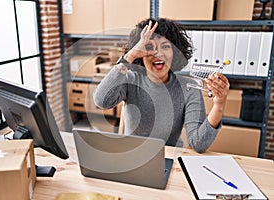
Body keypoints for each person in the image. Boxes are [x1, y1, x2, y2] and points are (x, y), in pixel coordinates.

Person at [93, 18, 230, 153]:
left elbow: (199, 144)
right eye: (150, 47)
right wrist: (131, 55)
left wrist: (219, 104)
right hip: (132, 156)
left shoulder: (189, 88)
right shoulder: (129, 79)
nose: (158, 54)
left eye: (165, 46)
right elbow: (101, 101)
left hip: (168, 158)